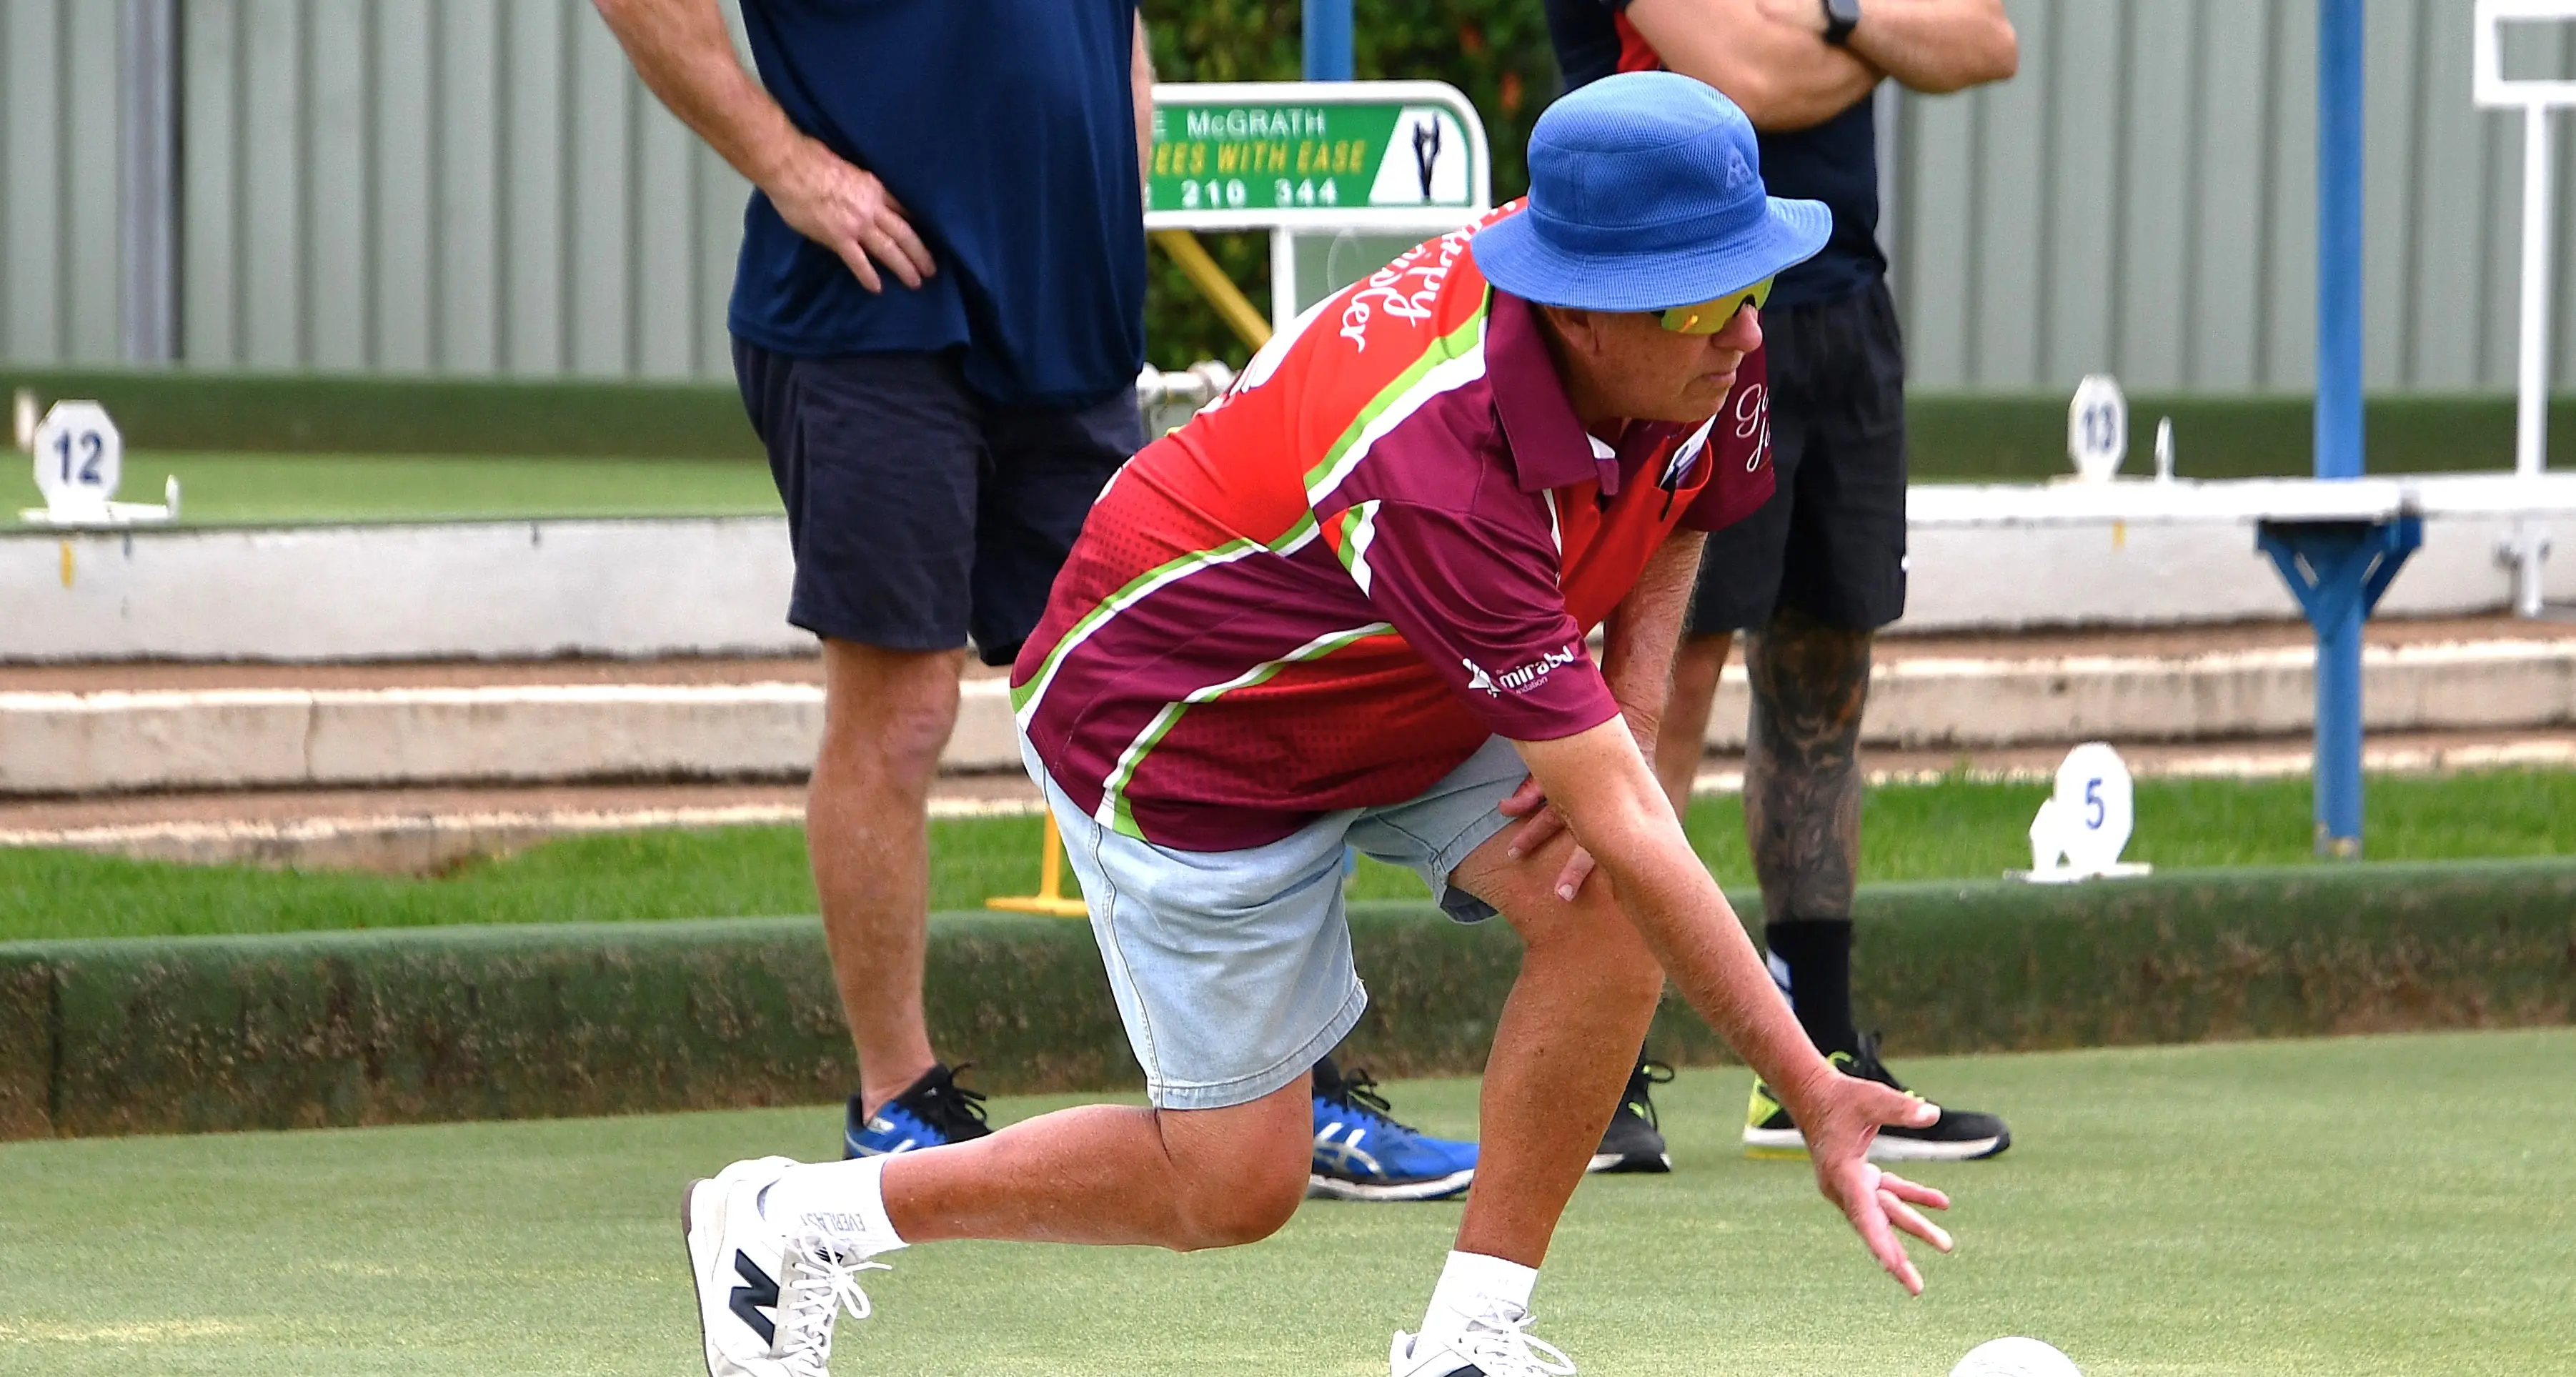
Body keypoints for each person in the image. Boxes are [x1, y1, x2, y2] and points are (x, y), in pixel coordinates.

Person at [680, 73, 1959, 1377]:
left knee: (1610, 896)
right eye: (1704, 304)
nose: (1743, 335)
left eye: (1754, 286)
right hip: (1185, 722)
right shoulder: (1436, 459)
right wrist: (1813, 1089)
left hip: (1411, 665)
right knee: (1233, 1183)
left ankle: (1470, 1341)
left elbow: (1683, 498)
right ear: (1579, 308)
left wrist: (1623, 707)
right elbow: (1630, 811)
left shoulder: (1696, 320)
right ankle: (793, 1222)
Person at [1543, 0, 2020, 1163]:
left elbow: (1985, 44)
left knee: (1826, 672)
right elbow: (1748, 82)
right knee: (1663, 684)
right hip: (1676, 317)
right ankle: (1599, 1072)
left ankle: (1820, 1051)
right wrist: (1871, 37)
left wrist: (1829, 16)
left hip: (1846, 306)